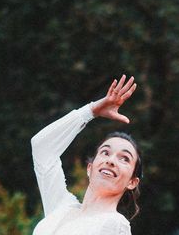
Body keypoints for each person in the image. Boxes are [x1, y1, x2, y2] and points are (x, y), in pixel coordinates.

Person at [31, 75, 142, 235]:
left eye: (124, 158)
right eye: (105, 152)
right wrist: (91, 111)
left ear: (132, 182)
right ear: (90, 168)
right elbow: (42, 147)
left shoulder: (116, 225)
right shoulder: (61, 208)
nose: (111, 161)